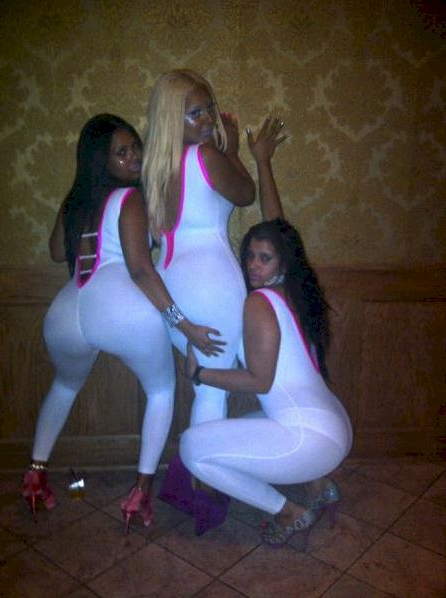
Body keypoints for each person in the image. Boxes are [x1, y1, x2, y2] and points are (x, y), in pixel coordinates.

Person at [22, 114, 223, 532]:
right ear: (102, 161)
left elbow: (57, 252)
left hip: (66, 311)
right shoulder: (130, 198)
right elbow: (140, 270)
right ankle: (140, 492)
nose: (134, 157)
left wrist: (74, 213)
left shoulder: (75, 202)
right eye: (121, 152)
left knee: (64, 385)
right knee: (161, 390)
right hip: (120, 308)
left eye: (135, 147)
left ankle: (35, 476)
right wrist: (184, 326)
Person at [180, 116, 353, 547]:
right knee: (238, 429)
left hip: (311, 437)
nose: (254, 265)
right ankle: (318, 484)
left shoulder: (258, 303)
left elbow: (259, 380)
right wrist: (262, 161)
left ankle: (288, 511)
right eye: (250, 257)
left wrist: (200, 374)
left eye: (264, 259)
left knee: (193, 448)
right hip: (330, 425)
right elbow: (279, 230)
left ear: (280, 263)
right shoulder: (292, 291)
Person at [141, 70, 256, 523]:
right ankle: (200, 492)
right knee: (211, 392)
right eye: (195, 113)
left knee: (203, 384)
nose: (208, 119)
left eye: (209, 108)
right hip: (211, 282)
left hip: (173, 285)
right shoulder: (207, 156)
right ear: (173, 118)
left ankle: (192, 484)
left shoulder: (154, 168)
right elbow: (246, 194)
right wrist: (234, 151)